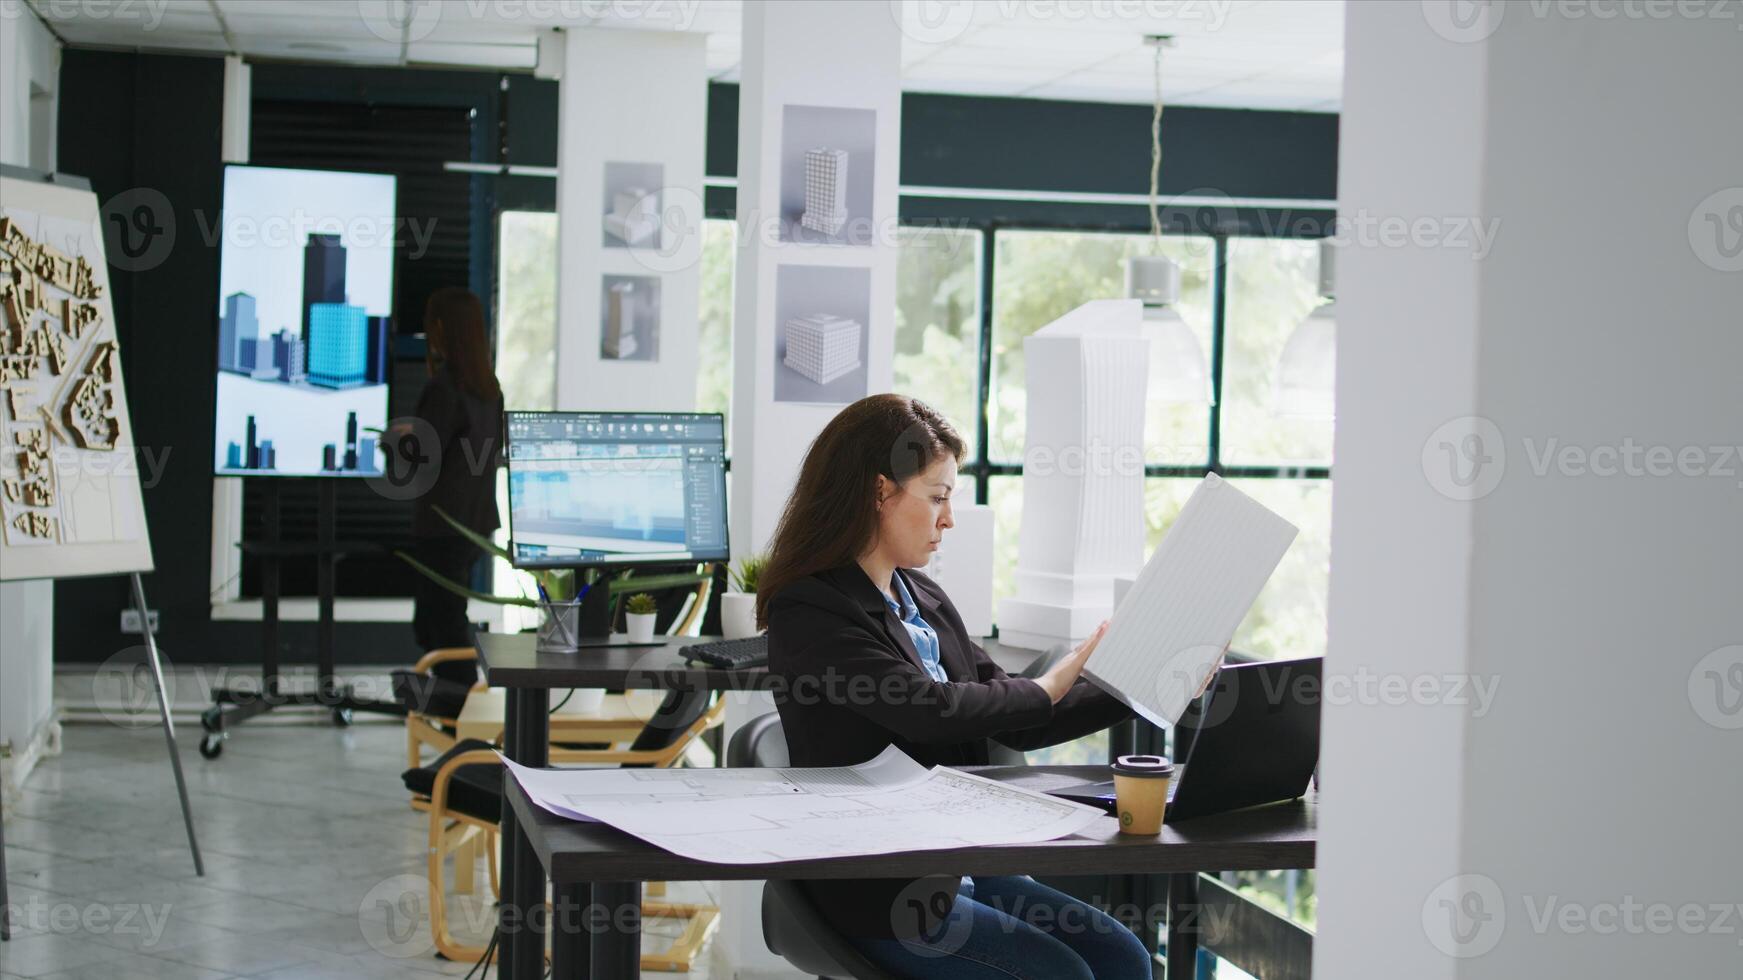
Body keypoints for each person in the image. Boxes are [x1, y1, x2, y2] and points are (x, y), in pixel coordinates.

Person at [759, 394, 1161, 980]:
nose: (949, 518)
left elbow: (1017, 716)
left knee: (1124, 959)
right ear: (879, 493)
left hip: (960, 860)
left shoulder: (922, 598)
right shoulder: (811, 611)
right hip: (883, 891)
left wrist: (1142, 682)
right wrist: (1050, 681)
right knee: (1064, 975)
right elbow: (928, 710)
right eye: (939, 497)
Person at [391, 287, 504, 691]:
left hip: (442, 526)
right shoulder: (489, 388)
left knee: (441, 627)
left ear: (440, 328)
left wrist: (396, 440)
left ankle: (459, 715)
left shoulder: (443, 387)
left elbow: (421, 458)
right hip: (475, 524)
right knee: (439, 619)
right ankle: (453, 712)